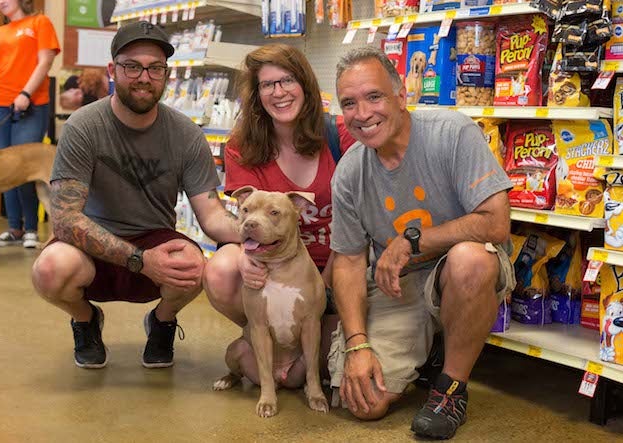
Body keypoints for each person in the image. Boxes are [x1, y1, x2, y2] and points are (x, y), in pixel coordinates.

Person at [327, 46, 516, 440]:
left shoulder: (452, 133)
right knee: (366, 401)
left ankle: (450, 388)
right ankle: (429, 351)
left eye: (374, 96)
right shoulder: (349, 173)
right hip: (400, 285)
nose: (362, 114)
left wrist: (412, 241)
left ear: (401, 95)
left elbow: (496, 224)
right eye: (349, 103)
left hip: (463, 272)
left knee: (470, 260)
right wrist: (357, 345)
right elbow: (346, 262)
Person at [30, 21, 240, 370]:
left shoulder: (186, 134)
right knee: (50, 268)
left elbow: (212, 215)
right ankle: (85, 320)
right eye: (132, 66)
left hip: (155, 237)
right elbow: (66, 221)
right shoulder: (84, 126)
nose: (144, 77)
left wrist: (259, 233)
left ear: (166, 75)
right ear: (113, 70)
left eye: (155, 68)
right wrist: (142, 260)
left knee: (192, 263)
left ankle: (162, 321)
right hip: (92, 246)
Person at [202, 43, 355, 382]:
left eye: (287, 80)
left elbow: (362, 215)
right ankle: (269, 338)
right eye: (267, 84)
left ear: (305, 84)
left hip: (340, 261)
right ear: (257, 95)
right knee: (221, 269)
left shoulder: (340, 135)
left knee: (328, 362)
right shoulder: (243, 145)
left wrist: (327, 282)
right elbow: (245, 219)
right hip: (275, 264)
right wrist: (244, 252)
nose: (279, 92)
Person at [0, 0, 60, 248]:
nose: (1, 1)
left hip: (29, 103)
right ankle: (14, 228)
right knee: (2, 169)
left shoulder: (39, 22)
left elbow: (45, 61)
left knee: (26, 168)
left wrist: (25, 93)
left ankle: (31, 228)